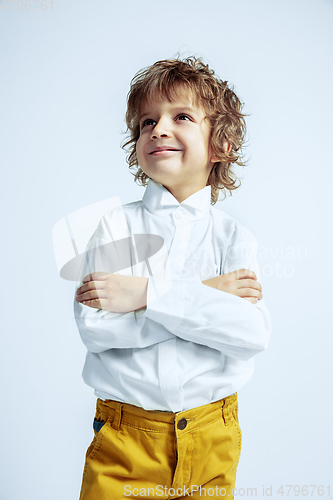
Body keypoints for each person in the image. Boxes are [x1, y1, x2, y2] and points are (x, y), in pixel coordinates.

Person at [74, 56, 271, 500]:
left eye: (180, 116)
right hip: (126, 438)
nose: (158, 129)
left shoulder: (233, 236)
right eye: (147, 122)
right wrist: (207, 297)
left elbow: (250, 333)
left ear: (220, 144)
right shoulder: (115, 227)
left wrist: (144, 294)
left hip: (212, 435)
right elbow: (97, 329)